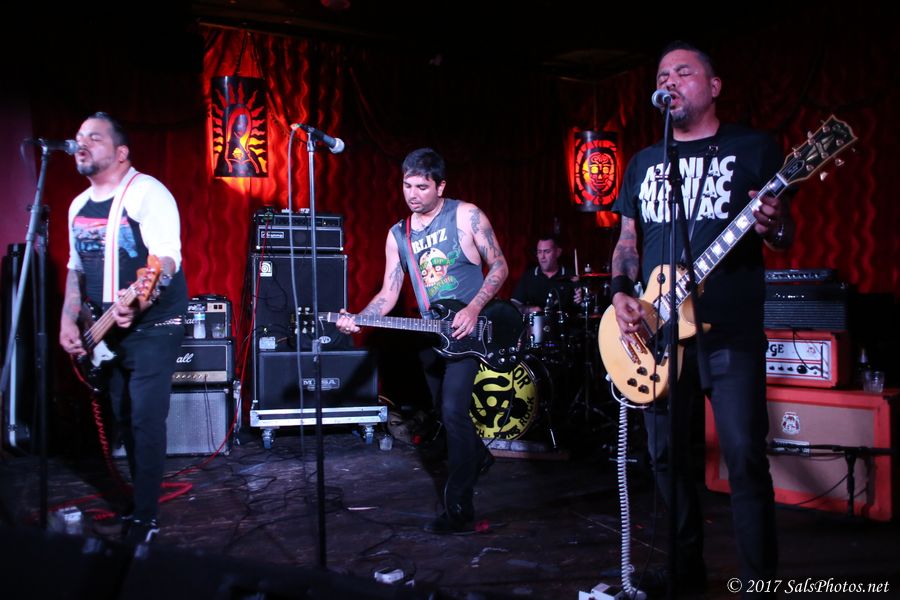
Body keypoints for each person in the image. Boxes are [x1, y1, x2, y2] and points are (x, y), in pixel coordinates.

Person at [609, 42, 792, 595]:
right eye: (662, 74)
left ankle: (760, 583)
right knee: (664, 456)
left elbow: (782, 236)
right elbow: (627, 241)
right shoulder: (644, 162)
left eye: (683, 72)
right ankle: (684, 568)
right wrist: (620, 293)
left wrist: (773, 225)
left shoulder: (752, 148)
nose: (670, 80)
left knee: (743, 455)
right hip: (658, 331)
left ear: (713, 87)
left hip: (729, 330)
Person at [336, 148, 507, 534]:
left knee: (453, 411)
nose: (412, 194)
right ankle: (479, 457)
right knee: (441, 412)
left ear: (440, 186)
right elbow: (389, 292)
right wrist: (359, 318)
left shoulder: (466, 215)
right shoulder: (399, 234)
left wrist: (474, 308)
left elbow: (499, 265)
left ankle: (459, 508)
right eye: (407, 186)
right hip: (430, 334)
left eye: (421, 187)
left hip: (467, 332)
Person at [58, 112, 188, 544]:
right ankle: (138, 506)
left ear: (121, 152)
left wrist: (141, 300)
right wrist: (68, 318)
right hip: (105, 327)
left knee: (146, 418)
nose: (82, 143)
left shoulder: (147, 192)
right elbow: (76, 270)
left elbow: (165, 259)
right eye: (79, 137)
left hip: (155, 323)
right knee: (125, 417)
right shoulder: (78, 206)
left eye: (94, 138)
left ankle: (145, 518)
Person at [510, 235, 582, 315]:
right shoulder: (529, 276)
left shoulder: (571, 276)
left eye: (547, 252)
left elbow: (580, 308)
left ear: (558, 252)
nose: (542, 257)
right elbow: (514, 305)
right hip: (536, 322)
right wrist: (529, 309)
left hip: (564, 322)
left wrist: (581, 300)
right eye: (539, 252)